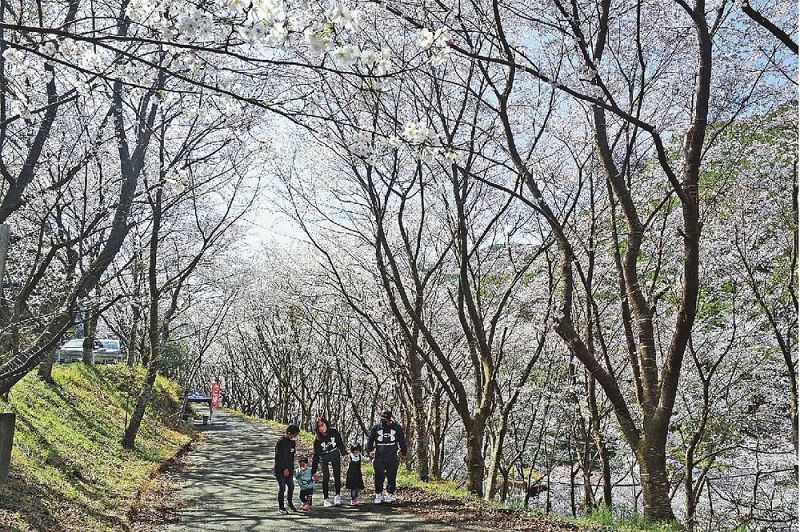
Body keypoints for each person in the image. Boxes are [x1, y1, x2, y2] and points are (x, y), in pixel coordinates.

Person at [366, 410, 407, 504]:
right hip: (379, 456)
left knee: (391, 476)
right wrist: (369, 451)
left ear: (390, 419)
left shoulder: (397, 428)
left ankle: (389, 494)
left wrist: (404, 452)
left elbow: (402, 440)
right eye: (382, 419)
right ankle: (378, 494)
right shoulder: (376, 428)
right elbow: (370, 439)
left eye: (385, 420)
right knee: (379, 475)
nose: (383, 422)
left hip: (392, 456)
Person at [310, 417, 347, 506]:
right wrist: (313, 471)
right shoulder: (317, 440)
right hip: (324, 456)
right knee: (326, 476)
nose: (321, 428)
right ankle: (326, 499)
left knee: (337, 475)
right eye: (319, 427)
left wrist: (344, 453)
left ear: (326, 424)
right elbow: (316, 456)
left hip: (334, 454)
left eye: (323, 425)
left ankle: (337, 495)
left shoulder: (334, 432)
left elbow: (340, 443)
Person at [274, 425, 300, 514]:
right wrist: (284, 468)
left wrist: (291, 469)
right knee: (282, 488)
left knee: (291, 486)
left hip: (290, 468)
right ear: (289, 433)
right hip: (280, 469)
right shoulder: (281, 442)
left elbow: (291, 456)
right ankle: (281, 507)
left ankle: (289, 503)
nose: (295, 437)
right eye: (295, 435)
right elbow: (279, 457)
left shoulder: (292, 443)